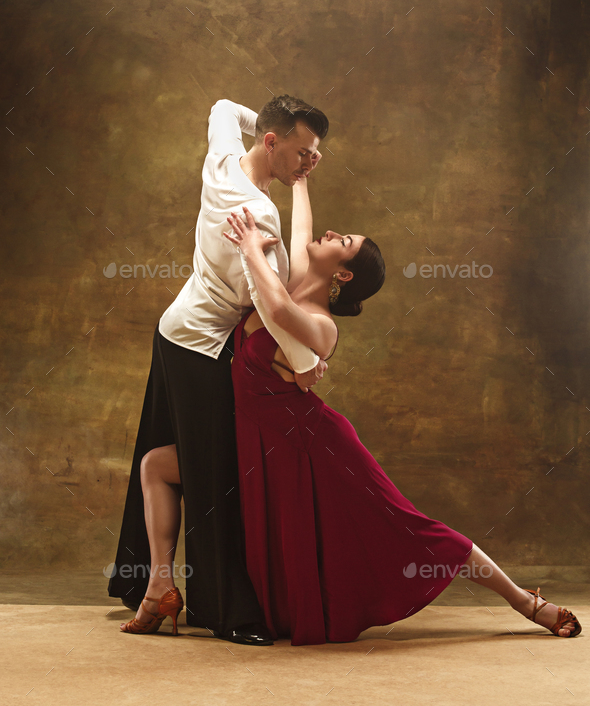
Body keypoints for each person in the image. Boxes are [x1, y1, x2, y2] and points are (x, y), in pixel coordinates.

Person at [222, 188, 583, 646]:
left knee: (408, 527)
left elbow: (275, 310)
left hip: (317, 444)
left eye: (343, 241)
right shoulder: (289, 280)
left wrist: (250, 247)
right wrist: (301, 180)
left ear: (343, 274)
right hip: (270, 442)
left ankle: (524, 602)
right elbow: (302, 230)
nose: (330, 233)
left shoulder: (320, 324)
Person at [110, 95, 329, 645]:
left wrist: (275, 135)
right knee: (213, 479)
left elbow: (224, 107)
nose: (311, 161)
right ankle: (229, 612)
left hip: (173, 332)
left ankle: (152, 584)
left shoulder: (224, 160)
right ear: (272, 143)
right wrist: (307, 363)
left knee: (167, 460)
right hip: (199, 349)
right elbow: (270, 304)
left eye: (315, 153)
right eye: (302, 152)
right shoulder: (257, 213)